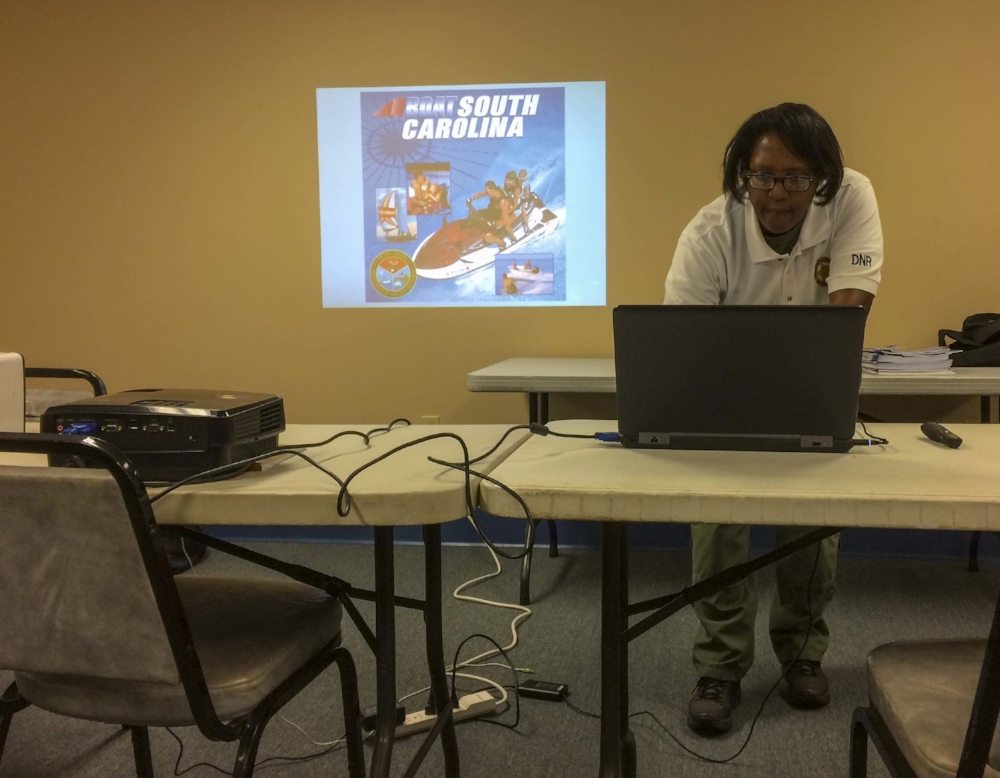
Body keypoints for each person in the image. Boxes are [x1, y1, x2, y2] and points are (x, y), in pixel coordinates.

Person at [663, 103, 883, 735]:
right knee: (716, 525)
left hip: (815, 391)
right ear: (741, 175)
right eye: (762, 177)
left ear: (822, 179)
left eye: (796, 178)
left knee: (813, 528)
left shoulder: (851, 196)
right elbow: (683, 348)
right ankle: (721, 666)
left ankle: (803, 656)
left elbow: (847, 316)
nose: (778, 193)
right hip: (721, 397)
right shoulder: (708, 234)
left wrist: (811, 388)